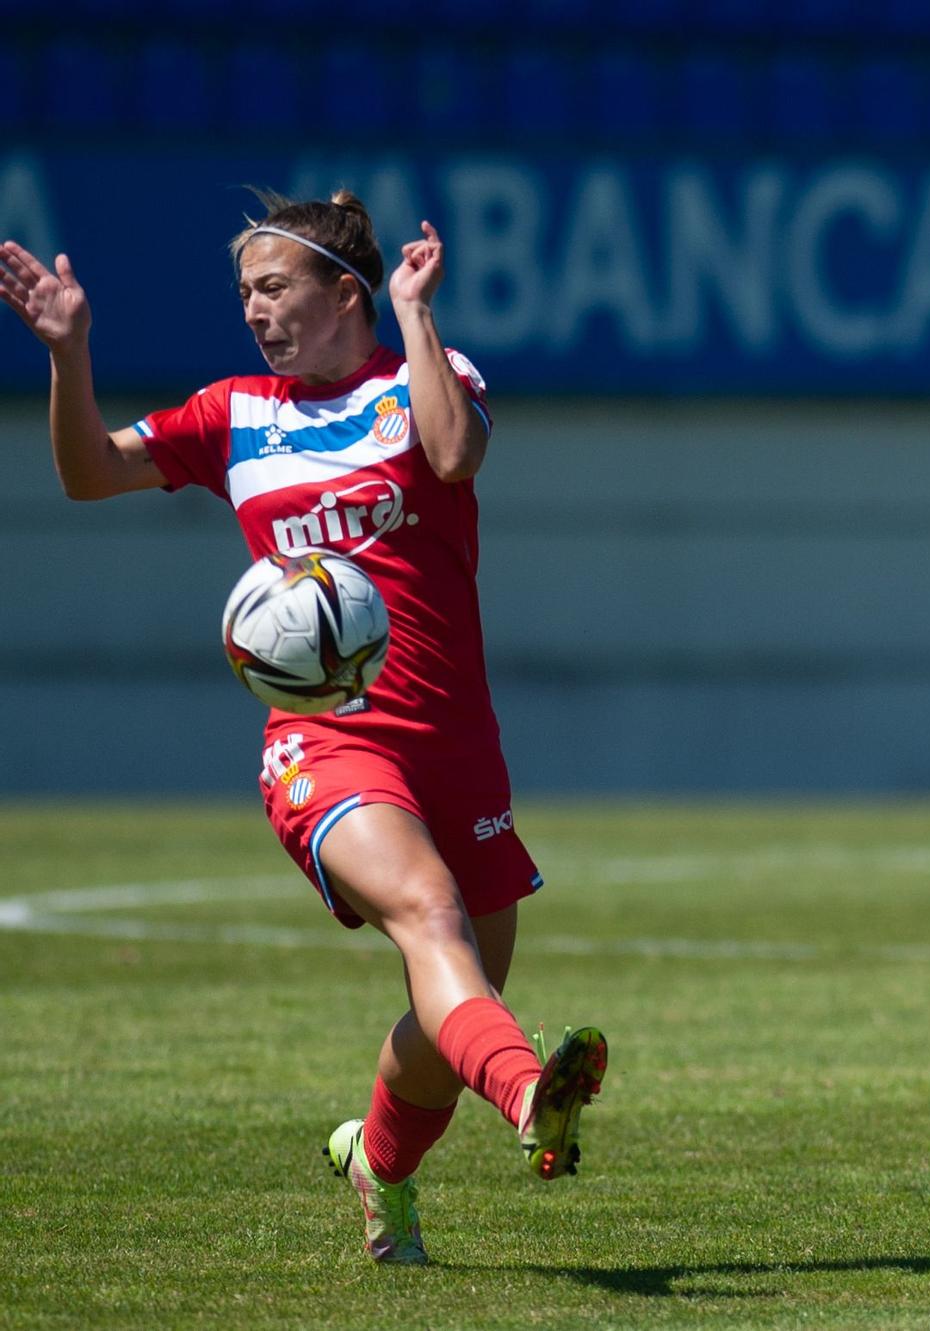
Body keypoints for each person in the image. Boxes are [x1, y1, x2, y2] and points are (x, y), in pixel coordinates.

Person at [0, 192, 608, 1267]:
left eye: (273, 286)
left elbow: (456, 457)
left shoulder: (427, 376)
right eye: (243, 293)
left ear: (346, 293)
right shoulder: (233, 412)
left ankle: (380, 1163)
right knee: (429, 916)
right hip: (323, 741)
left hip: (454, 738)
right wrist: (69, 351)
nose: (253, 310)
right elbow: (89, 472)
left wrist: (417, 316)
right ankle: (530, 1095)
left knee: (455, 993)